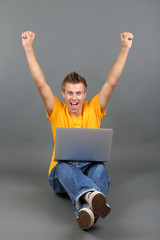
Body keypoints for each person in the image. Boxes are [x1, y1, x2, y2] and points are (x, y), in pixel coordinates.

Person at [21, 30, 133, 230]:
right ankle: (92, 196)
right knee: (62, 166)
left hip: (89, 170)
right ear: (63, 94)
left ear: (85, 94)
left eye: (78, 93)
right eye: (70, 93)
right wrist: (28, 48)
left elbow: (111, 82)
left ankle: (86, 211)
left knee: (100, 168)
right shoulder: (56, 109)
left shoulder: (94, 108)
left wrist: (125, 48)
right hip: (61, 178)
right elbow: (40, 83)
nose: (74, 98)